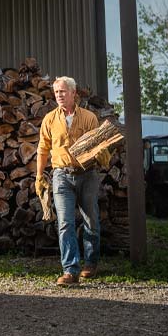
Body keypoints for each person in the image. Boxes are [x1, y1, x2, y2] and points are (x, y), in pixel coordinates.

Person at [35, 76, 109, 286]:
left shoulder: (89, 117)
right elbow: (42, 149)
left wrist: (102, 152)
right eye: (56, 92)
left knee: (91, 220)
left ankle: (91, 263)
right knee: (65, 223)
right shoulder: (49, 119)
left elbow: (98, 144)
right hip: (61, 175)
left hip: (87, 174)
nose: (59, 95)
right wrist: (39, 176)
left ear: (73, 93)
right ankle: (70, 270)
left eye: (63, 91)